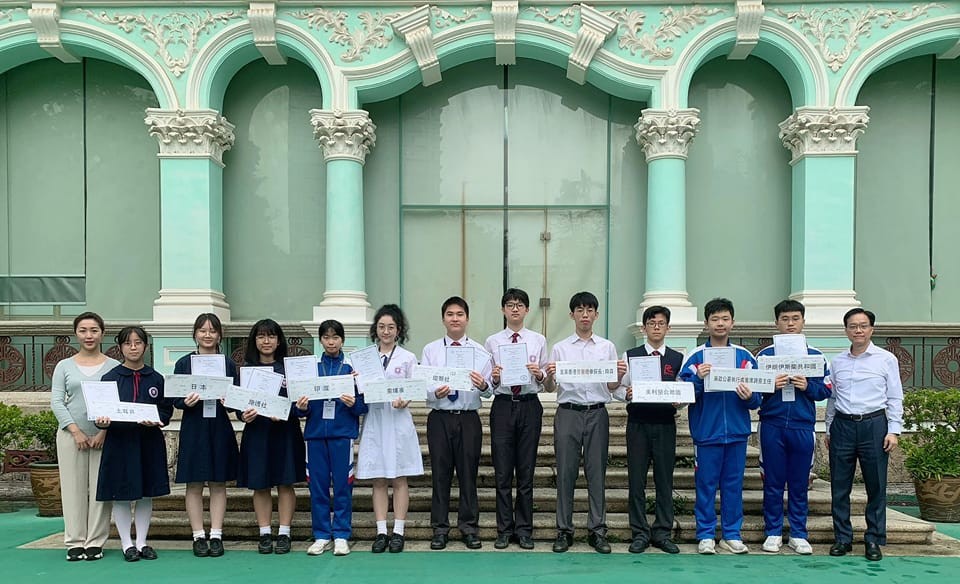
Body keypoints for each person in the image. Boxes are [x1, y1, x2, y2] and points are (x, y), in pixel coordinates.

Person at [679, 297, 761, 555]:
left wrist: (750, 396)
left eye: (725, 318)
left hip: (736, 433)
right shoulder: (695, 357)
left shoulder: (745, 357)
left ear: (732, 322)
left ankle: (731, 534)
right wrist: (699, 379)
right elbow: (683, 394)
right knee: (705, 485)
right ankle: (705, 535)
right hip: (707, 433)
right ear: (706, 323)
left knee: (733, 486)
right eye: (715, 319)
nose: (720, 323)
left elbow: (758, 397)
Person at [544, 291, 626, 554]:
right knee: (565, 473)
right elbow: (550, 387)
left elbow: (611, 386)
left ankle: (597, 531)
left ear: (596, 315)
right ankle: (564, 531)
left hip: (597, 413)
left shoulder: (606, 347)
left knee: (596, 472)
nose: (585, 315)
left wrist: (619, 375)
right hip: (568, 412)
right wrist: (549, 375)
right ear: (572, 315)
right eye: (580, 310)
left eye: (590, 310)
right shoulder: (560, 348)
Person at [827, 308, 903, 562]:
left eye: (863, 325)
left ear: (871, 329)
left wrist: (893, 430)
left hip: (874, 425)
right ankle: (842, 538)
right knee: (839, 486)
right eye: (853, 326)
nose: (858, 330)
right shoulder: (837, 361)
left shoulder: (886, 359)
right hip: (843, 426)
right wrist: (829, 427)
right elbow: (832, 398)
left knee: (876, 485)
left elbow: (894, 397)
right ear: (846, 330)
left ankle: (873, 539)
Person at [756, 300, 832, 555]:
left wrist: (807, 386)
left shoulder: (816, 356)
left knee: (800, 483)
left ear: (803, 322)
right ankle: (773, 532)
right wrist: (770, 385)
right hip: (772, 425)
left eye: (795, 319)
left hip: (802, 426)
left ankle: (798, 533)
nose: (790, 324)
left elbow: (825, 390)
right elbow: (753, 391)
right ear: (776, 322)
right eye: (785, 319)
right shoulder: (765, 356)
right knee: (773, 482)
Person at [95, 326, 172, 562]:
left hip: (148, 442)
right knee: (121, 494)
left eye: (138, 343)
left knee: (146, 493)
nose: (133, 347)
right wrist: (102, 421)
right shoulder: (110, 378)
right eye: (128, 343)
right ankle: (126, 544)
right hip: (120, 443)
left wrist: (157, 420)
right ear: (120, 347)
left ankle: (142, 542)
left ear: (146, 346)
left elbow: (165, 410)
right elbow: (100, 413)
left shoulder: (156, 378)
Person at [422, 296, 493, 551]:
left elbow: (489, 390)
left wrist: (483, 384)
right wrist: (434, 392)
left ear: (467, 319)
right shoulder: (431, 350)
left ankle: (469, 528)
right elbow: (423, 384)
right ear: (443, 319)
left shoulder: (480, 352)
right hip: (440, 417)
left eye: (460, 314)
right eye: (450, 314)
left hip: (468, 418)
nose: (455, 319)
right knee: (440, 475)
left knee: (468, 475)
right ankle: (440, 529)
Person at [50, 312, 120, 562]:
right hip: (71, 437)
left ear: (102, 333)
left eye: (94, 330)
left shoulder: (114, 366)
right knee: (72, 489)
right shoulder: (64, 366)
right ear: (76, 334)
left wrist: (103, 431)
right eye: (83, 330)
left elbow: (117, 403)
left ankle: (95, 542)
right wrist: (76, 431)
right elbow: (57, 401)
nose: (88, 335)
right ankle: (74, 541)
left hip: (104, 437)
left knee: (101, 490)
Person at [296, 320, 368, 557]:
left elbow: (363, 406)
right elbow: (298, 408)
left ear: (342, 340)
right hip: (315, 436)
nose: (331, 342)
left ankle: (341, 535)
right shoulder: (311, 370)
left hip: (342, 436)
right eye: (326, 337)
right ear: (320, 340)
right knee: (317, 486)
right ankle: (321, 535)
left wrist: (353, 403)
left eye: (335, 337)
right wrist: (302, 407)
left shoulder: (352, 370)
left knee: (343, 486)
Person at [614, 305, 683, 554]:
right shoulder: (630, 355)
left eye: (661, 323)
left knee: (664, 480)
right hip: (638, 424)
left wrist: (679, 400)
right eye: (651, 323)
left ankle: (662, 532)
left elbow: (683, 389)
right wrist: (627, 394)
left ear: (668, 328)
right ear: (644, 328)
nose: (656, 327)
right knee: (637, 480)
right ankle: (640, 533)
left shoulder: (677, 358)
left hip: (665, 424)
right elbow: (617, 388)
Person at [357, 304, 424, 554]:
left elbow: (415, 386)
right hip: (375, 420)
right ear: (375, 329)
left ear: (399, 330)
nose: (386, 332)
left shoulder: (407, 358)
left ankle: (398, 531)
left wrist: (405, 399)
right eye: (382, 327)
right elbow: (360, 388)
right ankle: (381, 531)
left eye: (391, 327)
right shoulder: (365, 358)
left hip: (397, 421)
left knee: (399, 477)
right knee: (378, 478)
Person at [484, 288, 547, 550]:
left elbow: (545, 380)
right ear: (503, 310)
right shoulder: (492, 341)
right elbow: (487, 383)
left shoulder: (538, 340)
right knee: (502, 472)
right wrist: (494, 378)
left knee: (526, 471)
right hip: (503, 405)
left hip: (530, 405)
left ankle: (524, 530)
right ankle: (504, 529)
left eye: (520, 305)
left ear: (527, 310)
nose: (515, 309)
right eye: (510, 304)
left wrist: (539, 374)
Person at [173, 313, 240, 558]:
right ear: (195, 334)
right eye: (202, 330)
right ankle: (198, 535)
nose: (208, 335)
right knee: (194, 483)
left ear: (220, 335)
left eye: (212, 330)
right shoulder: (184, 363)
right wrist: (186, 402)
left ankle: (216, 535)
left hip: (219, 426)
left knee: (218, 482)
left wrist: (228, 400)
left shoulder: (228, 364)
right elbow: (175, 398)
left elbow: (236, 401)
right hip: (194, 426)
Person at [237, 319, 306, 556]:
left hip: (285, 433)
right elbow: (238, 405)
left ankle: (284, 532)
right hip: (257, 433)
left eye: (271, 336)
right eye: (261, 336)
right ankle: (265, 533)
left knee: (285, 482)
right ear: (254, 341)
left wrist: (290, 410)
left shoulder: (290, 369)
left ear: (279, 341)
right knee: (260, 484)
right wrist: (243, 414)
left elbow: (301, 406)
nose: (266, 341)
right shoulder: (245, 371)